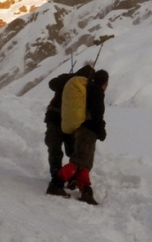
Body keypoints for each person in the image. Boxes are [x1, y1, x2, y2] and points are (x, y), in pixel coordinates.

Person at [54, 69, 109, 205]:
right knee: (79, 160)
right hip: (88, 131)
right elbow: (97, 115)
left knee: (85, 162)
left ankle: (85, 190)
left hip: (83, 130)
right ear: (105, 83)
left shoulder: (88, 90)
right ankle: (56, 183)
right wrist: (101, 130)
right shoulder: (96, 93)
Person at [44, 64, 95, 197]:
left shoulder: (67, 79)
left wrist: (69, 77)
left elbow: (52, 84)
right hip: (71, 122)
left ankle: (56, 174)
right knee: (73, 149)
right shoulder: (86, 87)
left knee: (54, 148)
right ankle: (71, 178)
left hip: (54, 117)